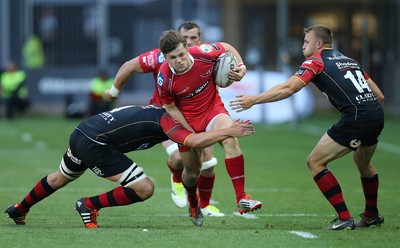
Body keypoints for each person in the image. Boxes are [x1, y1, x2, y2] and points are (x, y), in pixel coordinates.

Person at [229, 24, 385, 230]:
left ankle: (344, 218)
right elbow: (380, 96)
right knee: (364, 164)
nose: (303, 46)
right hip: (375, 114)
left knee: (315, 162)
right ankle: (371, 214)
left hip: (356, 118)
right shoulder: (350, 61)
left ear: (318, 44)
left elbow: (289, 87)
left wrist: (253, 100)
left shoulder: (315, 60)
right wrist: (367, 118)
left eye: (306, 41)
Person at [4, 105, 255, 228]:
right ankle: (88, 205)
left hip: (82, 132)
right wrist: (229, 131)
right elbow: (195, 140)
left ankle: (20, 209)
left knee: (60, 178)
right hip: (96, 143)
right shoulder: (169, 121)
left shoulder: (161, 112)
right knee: (145, 188)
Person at [106, 21, 223, 217]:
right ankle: (176, 179)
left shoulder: (205, 56)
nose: (188, 41)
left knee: (208, 165)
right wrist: (114, 91)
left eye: (193, 38)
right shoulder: (160, 57)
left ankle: (205, 206)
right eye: (184, 38)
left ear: (199, 39)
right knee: (178, 157)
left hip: (198, 115)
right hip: (166, 116)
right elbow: (128, 66)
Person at [156, 30, 262, 226]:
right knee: (193, 173)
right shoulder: (164, 77)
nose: (179, 60)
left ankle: (241, 199)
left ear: (187, 48)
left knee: (230, 137)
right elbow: (170, 107)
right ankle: (193, 203)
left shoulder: (203, 52)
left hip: (212, 109)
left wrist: (242, 67)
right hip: (186, 120)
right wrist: (191, 134)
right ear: (165, 57)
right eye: (173, 57)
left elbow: (227, 47)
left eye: (181, 54)